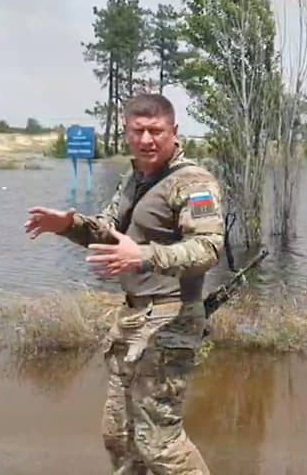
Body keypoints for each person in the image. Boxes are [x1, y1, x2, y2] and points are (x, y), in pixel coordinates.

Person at [25, 94, 224, 474]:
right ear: (126, 132)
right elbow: (109, 231)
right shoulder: (135, 178)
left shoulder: (195, 183)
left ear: (174, 132)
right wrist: (69, 226)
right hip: (133, 317)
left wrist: (145, 255)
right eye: (138, 131)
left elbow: (208, 248)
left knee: (160, 443)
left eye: (156, 131)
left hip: (171, 319)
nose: (147, 139)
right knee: (120, 435)